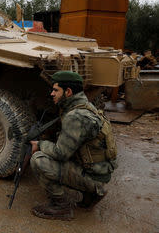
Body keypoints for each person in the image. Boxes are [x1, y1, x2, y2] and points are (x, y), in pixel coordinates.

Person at [29, 71, 117, 220]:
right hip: (99, 171)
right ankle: (90, 194)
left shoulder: (75, 117)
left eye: (56, 90)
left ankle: (61, 207)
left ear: (68, 92)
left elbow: (60, 153)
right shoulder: (85, 106)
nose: (51, 94)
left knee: (38, 160)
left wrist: (41, 144)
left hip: (94, 176)